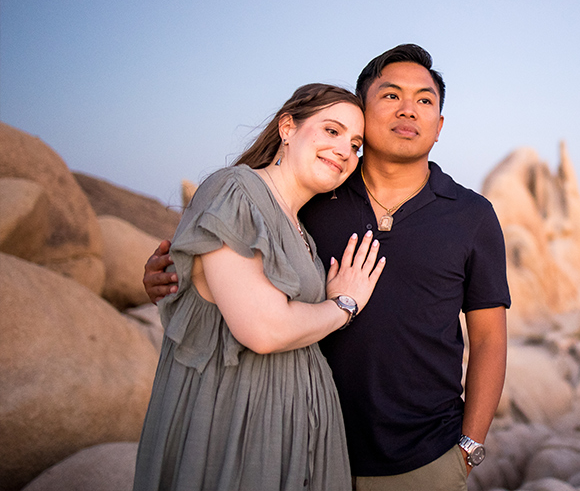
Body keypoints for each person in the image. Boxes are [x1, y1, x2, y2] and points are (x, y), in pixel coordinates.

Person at [145, 45, 510, 491]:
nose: (409, 110)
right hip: (305, 449)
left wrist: (468, 448)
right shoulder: (313, 197)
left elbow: (489, 336)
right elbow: (237, 270)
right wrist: (176, 276)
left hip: (425, 459)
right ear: (365, 110)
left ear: (439, 127)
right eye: (391, 96)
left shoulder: (471, 215)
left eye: (425, 100)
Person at [134, 83, 386, 491]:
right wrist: (345, 304)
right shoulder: (236, 190)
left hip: (289, 436)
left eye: (356, 145)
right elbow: (263, 330)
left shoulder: (303, 229)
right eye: (331, 131)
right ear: (288, 127)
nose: (345, 151)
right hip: (238, 428)